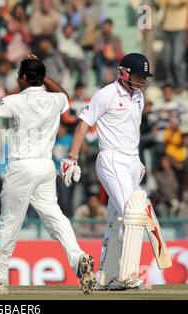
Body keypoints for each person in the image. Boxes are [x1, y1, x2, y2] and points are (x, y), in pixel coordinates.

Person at [0, 55, 96, 295]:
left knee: (9, 225)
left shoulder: (17, 101)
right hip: (46, 167)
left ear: (23, 78)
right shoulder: (54, 99)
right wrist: (40, 72)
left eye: (20, 75)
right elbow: (65, 96)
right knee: (54, 216)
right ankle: (79, 259)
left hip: (22, 167)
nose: (18, 78)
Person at [60, 53, 154, 290]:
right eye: (139, 76)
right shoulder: (106, 95)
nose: (142, 80)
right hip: (111, 158)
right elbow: (83, 124)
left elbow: (134, 129)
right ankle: (129, 274)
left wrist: (137, 159)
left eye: (144, 76)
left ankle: (105, 277)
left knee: (115, 220)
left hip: (131, 161)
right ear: (124, 73)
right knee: (133, 215)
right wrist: (72, 158)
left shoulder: (139, 97)